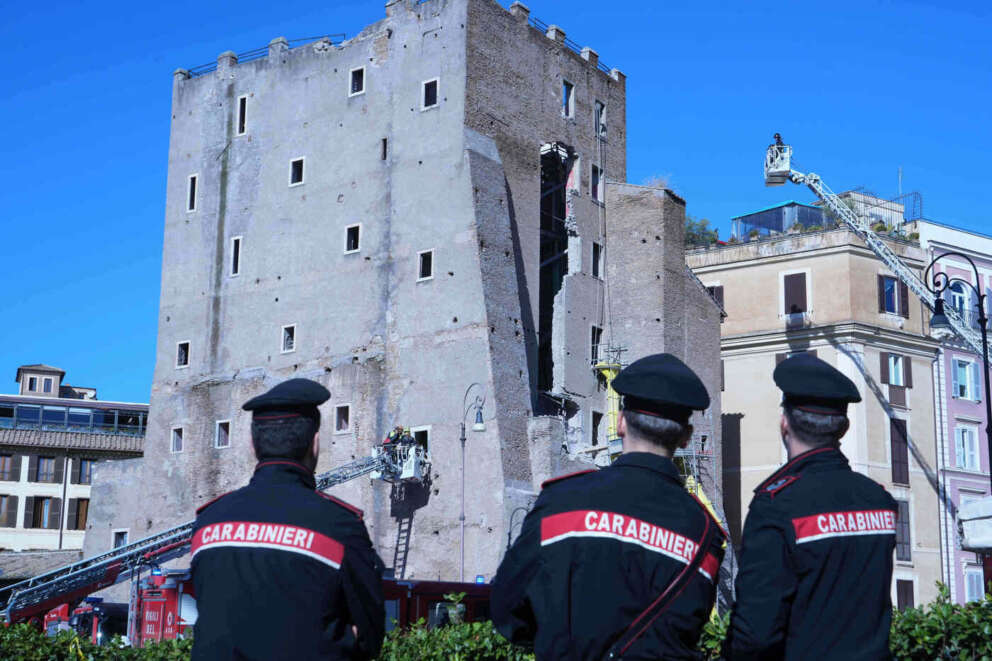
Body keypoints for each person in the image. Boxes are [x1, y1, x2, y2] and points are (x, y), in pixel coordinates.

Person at [492, 353, 726, 660]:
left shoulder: (561, 502)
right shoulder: (704, 534)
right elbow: (692, 625)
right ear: (685, 437)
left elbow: (506, 610)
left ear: (620, 423)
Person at [191, 378, 385, 660]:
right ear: (315, 444)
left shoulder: (207, 523)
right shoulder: (339, 526)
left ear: (252, 445)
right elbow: (370, 634)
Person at [723, 353, 898, 660]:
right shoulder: (879, 500)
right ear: (843, 429)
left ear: (784, 424)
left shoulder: (777, 505)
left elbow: (755, 632)